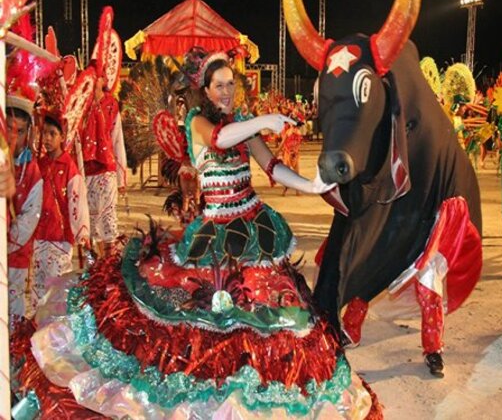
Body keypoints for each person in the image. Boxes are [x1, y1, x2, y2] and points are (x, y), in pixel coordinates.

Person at [14, 49, 381, 418]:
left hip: (254, 230)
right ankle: (207, 396)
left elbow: (271, 166)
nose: (226, 91)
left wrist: (312, 185)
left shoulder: (244, 123)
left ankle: (255, 390)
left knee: (268, 319)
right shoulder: (197, 122)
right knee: (209, 319)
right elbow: (221, 139)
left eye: (231, 84)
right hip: (214, 236)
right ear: (205, 91)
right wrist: (264, 119)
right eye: (219, 85)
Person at [31, 112, 90, 311]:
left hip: (60, 239)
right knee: (38, 288)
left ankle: (54, 333)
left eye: (52, 134)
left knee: (56, 288)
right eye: (44, 133)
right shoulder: (40, 165)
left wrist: (82, 233)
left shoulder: (70, 168)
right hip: (39, 235)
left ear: (62, 137)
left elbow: (77, 204)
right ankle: (36, 330)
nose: (46, 138)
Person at [79, 67, 127, 257]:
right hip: (84, 171)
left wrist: (122, 178)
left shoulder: (111, 104)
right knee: (88, 222)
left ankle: (109, 267)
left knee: (107, 219)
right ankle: (93, 270)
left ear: (103, 79)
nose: (94, 80)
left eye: (97, 76)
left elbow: (117, 139)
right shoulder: (81, 103)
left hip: (106, 169)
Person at [6, 96, 42, 319]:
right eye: (9, 129)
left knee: (13, 300)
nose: (13, 137)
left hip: (15, 254)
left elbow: (31, 214)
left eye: (19, 132)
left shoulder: (32, 172)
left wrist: (6, 243)